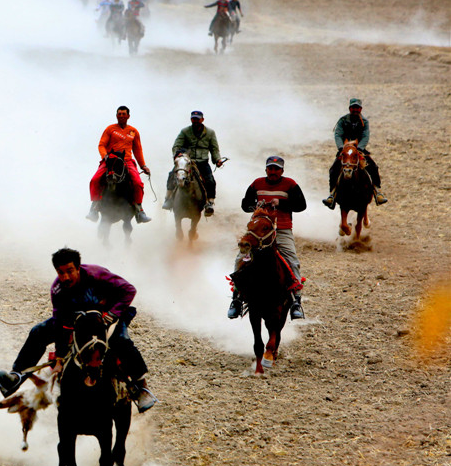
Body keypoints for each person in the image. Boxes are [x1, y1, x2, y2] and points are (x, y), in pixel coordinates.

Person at [0, 248, 158, 413]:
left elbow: (129, 290)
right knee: (38, 332)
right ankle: (17, 376)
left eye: (69, 271)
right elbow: (59, 322)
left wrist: (112, 313)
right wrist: (59, 355)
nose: (65, 277)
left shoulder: (97, 274)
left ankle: (141, 387)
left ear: (78, 268)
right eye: (60, 272)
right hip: (77, 319)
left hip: (107, 317)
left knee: (120, 341)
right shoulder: (57, 289)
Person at [228, 156, 307, 321]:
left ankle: (296, 301)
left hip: (282, 229)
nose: (273, 172)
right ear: (266, 170)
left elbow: (301, 205)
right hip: (259, 231)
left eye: (276, 169)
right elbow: (245, 204)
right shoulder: (257, 184)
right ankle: (236, 299)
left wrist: (282, 204)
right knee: (241, 258)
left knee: (292, 260)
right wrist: (256, 206)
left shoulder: (290, 184)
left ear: (282, 171)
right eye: (270, 168)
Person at [87, 106, 152, 223]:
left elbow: (137, 150)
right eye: (119, 114)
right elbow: (101, 145)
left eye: (123, 114)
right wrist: (105, 156)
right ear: (116, 116)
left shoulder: (133, 131)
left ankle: (139, 210)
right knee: (95, 179)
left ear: (128, 116)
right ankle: (94, 208)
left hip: (127, 160)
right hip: (110, 160)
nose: (121, 116)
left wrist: (143, 166)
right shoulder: (110, 129)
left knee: (137, 182)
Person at [323, 98, 387, 209]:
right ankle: (332, 195)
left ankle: (378, 192)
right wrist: (341, 148)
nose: (355, 110)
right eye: (353, 108)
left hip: (359, 150)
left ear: (361, 109)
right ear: (350, 108)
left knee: (373, 167)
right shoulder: (342, 120)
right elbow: (338, 134)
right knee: (333, 169)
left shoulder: (365, 122)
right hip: (345, 150)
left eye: (357, 108)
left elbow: (365, 136)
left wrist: (360, 148)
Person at [164, 110, 224, 216]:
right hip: (187, 162)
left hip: (202, 162)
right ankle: (168, 199)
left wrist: (217, 160)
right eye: (193, 118)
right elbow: (176, 146)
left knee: (210, 180)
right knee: (171, 175)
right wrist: (178, 155)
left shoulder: (210, 133)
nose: (195, 120)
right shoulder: (185, 131)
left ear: (202, 119)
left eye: (197, 118)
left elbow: (214, 149)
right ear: (191, 119)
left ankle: (209, 203)